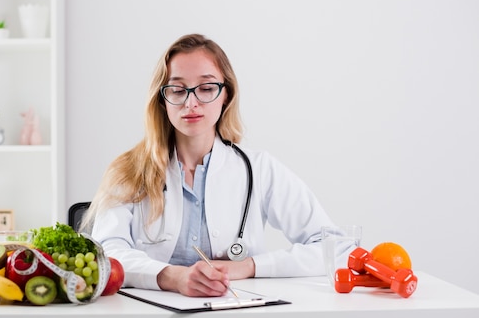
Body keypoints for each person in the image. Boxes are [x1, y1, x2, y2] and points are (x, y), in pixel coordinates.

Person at [82, 33, 337, 297]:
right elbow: (106, 253)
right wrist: (173, 277)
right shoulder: (128, 171)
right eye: (178, 90)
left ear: (226, 94)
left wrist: (249, 267)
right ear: (162, 99)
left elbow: (334, 247)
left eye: (206, 88)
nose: (191, 103)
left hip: (237, 317)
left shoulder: (259, 169)